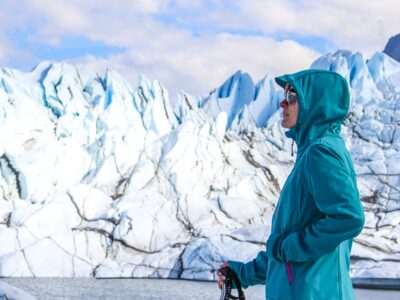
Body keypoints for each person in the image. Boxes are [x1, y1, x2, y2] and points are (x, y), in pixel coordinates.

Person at [217, 69, 365, 300]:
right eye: (285, 96)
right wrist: (243, 273)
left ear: (316, 103)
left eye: (292, 97)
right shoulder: (311, 153)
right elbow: (285, 246)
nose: (282, 104)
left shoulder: (321, 153)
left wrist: (288, 248)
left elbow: (348, 218)